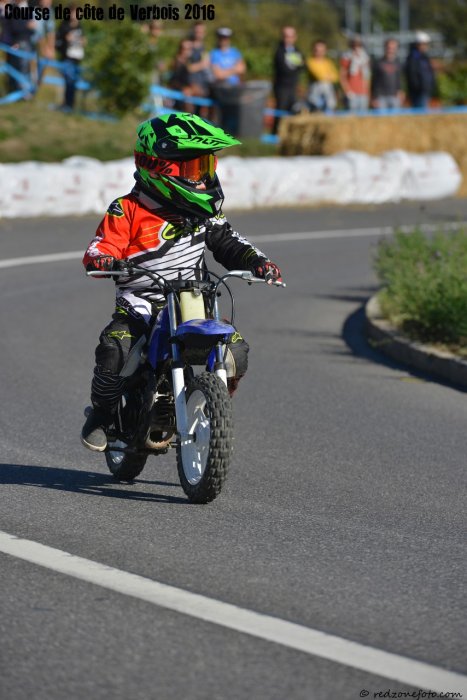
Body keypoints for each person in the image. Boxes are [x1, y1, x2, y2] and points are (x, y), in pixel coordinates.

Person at [81, 113, 282, 452]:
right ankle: (100, 416)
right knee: (116, 348)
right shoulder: (127, 208)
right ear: (158, 167)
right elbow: (101, 247)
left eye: (206, 166)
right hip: (141, 305)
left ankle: (211, 404)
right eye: (193, 169)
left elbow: (229, 242)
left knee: (236, 351)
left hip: (194, 302)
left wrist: (258, 263)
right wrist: (103, 260)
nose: (202, 178)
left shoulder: (205, 212)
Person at [209, 27, 246, 133]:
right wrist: (234, 69)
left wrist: (226, 72)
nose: (223, 40)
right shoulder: (215, 53)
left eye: (225, 38)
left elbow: (242, 69)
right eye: (221, 38)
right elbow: (218, 75)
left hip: (235, 89)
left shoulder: (235, 52)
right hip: (221, 90)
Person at [272, 26, 304, 133]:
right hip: (282, 87)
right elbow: (283, 68)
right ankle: (276, 134)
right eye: (286, 36)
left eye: (291, 36)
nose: (288, 39)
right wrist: (295, 65)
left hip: (293, 86)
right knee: (281, 110)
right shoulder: (279, 51)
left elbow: (302, 66)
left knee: (294, 109)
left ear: (295, 37)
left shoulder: (297, 51)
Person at [55, 3, 85, 111]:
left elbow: (83, 40)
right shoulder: (64, 26)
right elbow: (61, 40)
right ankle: (67, 104)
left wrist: (81, 40)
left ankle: (70, 104)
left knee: (72, 82)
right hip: (67, 57)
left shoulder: (80, 26)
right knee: (68, 81)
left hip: (77, 57)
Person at [405, 31, 436, 109]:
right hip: (418, 93)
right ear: (418, 44)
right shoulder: (413, 57)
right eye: (424, 44)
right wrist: (419, 88)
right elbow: (412, 75)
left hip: (425, 91)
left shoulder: (425, 57)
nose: (426, 46)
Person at [339, 35, 371, 112]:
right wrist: (347, 91)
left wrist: (368, 92)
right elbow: (342, 76)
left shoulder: (365, 58)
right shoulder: (346, 58)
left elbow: (367, 77)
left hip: (363, 93)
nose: (356, 47)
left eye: (359, 45)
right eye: (354, 45)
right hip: (351, 93)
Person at [306, 39, 338, 113]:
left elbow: (336, 76)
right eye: (317, 50)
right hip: (315, 91)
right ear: (313, 50)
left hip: (327, 91)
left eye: (322, 50)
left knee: (326, 85)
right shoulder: (310, 61)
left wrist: (325, 76)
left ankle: (330, 108)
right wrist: (328, 76)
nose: (319, 52)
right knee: (324, 85)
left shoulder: (328, 62)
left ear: (325, 51)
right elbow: (318, 76)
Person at [371, 38, 403, 110]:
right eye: (389, 47)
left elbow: (399, 79)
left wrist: (400, 91)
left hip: (395, 97)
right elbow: (374, 81)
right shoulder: (378, 63)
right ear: (385, 48)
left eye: (393, 48)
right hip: (380, 98)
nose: (390, 50)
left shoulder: (398, 63)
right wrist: (374, 97)